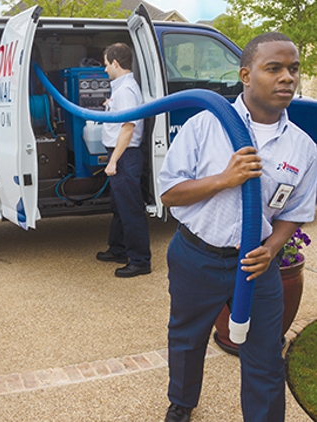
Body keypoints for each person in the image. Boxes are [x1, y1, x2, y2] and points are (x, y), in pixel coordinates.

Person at [159, 32, 317, 422]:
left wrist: (274, 247)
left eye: (293, 69)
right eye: (274, 68)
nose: (287, 78)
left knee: (264, 354)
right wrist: (223, 179)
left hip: (257, 267)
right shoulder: (204, 125)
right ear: (246, 74)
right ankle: (182, 402)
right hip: (197, 256)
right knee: (186, 339)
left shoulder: (303, 147)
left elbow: (296, 209)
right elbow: (169, 194)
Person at [96, 42, 151, 278]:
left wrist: (113, 161)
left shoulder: (126, 89)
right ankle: (118, 249)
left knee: (130, 209)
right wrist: (110, 106)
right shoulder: (121, 89)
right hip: (122, 154)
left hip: (125, 156)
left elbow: (129, 128)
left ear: (116, 63)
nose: (105, 69)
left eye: (106, 64)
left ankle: (140, 260)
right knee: (119, 206)